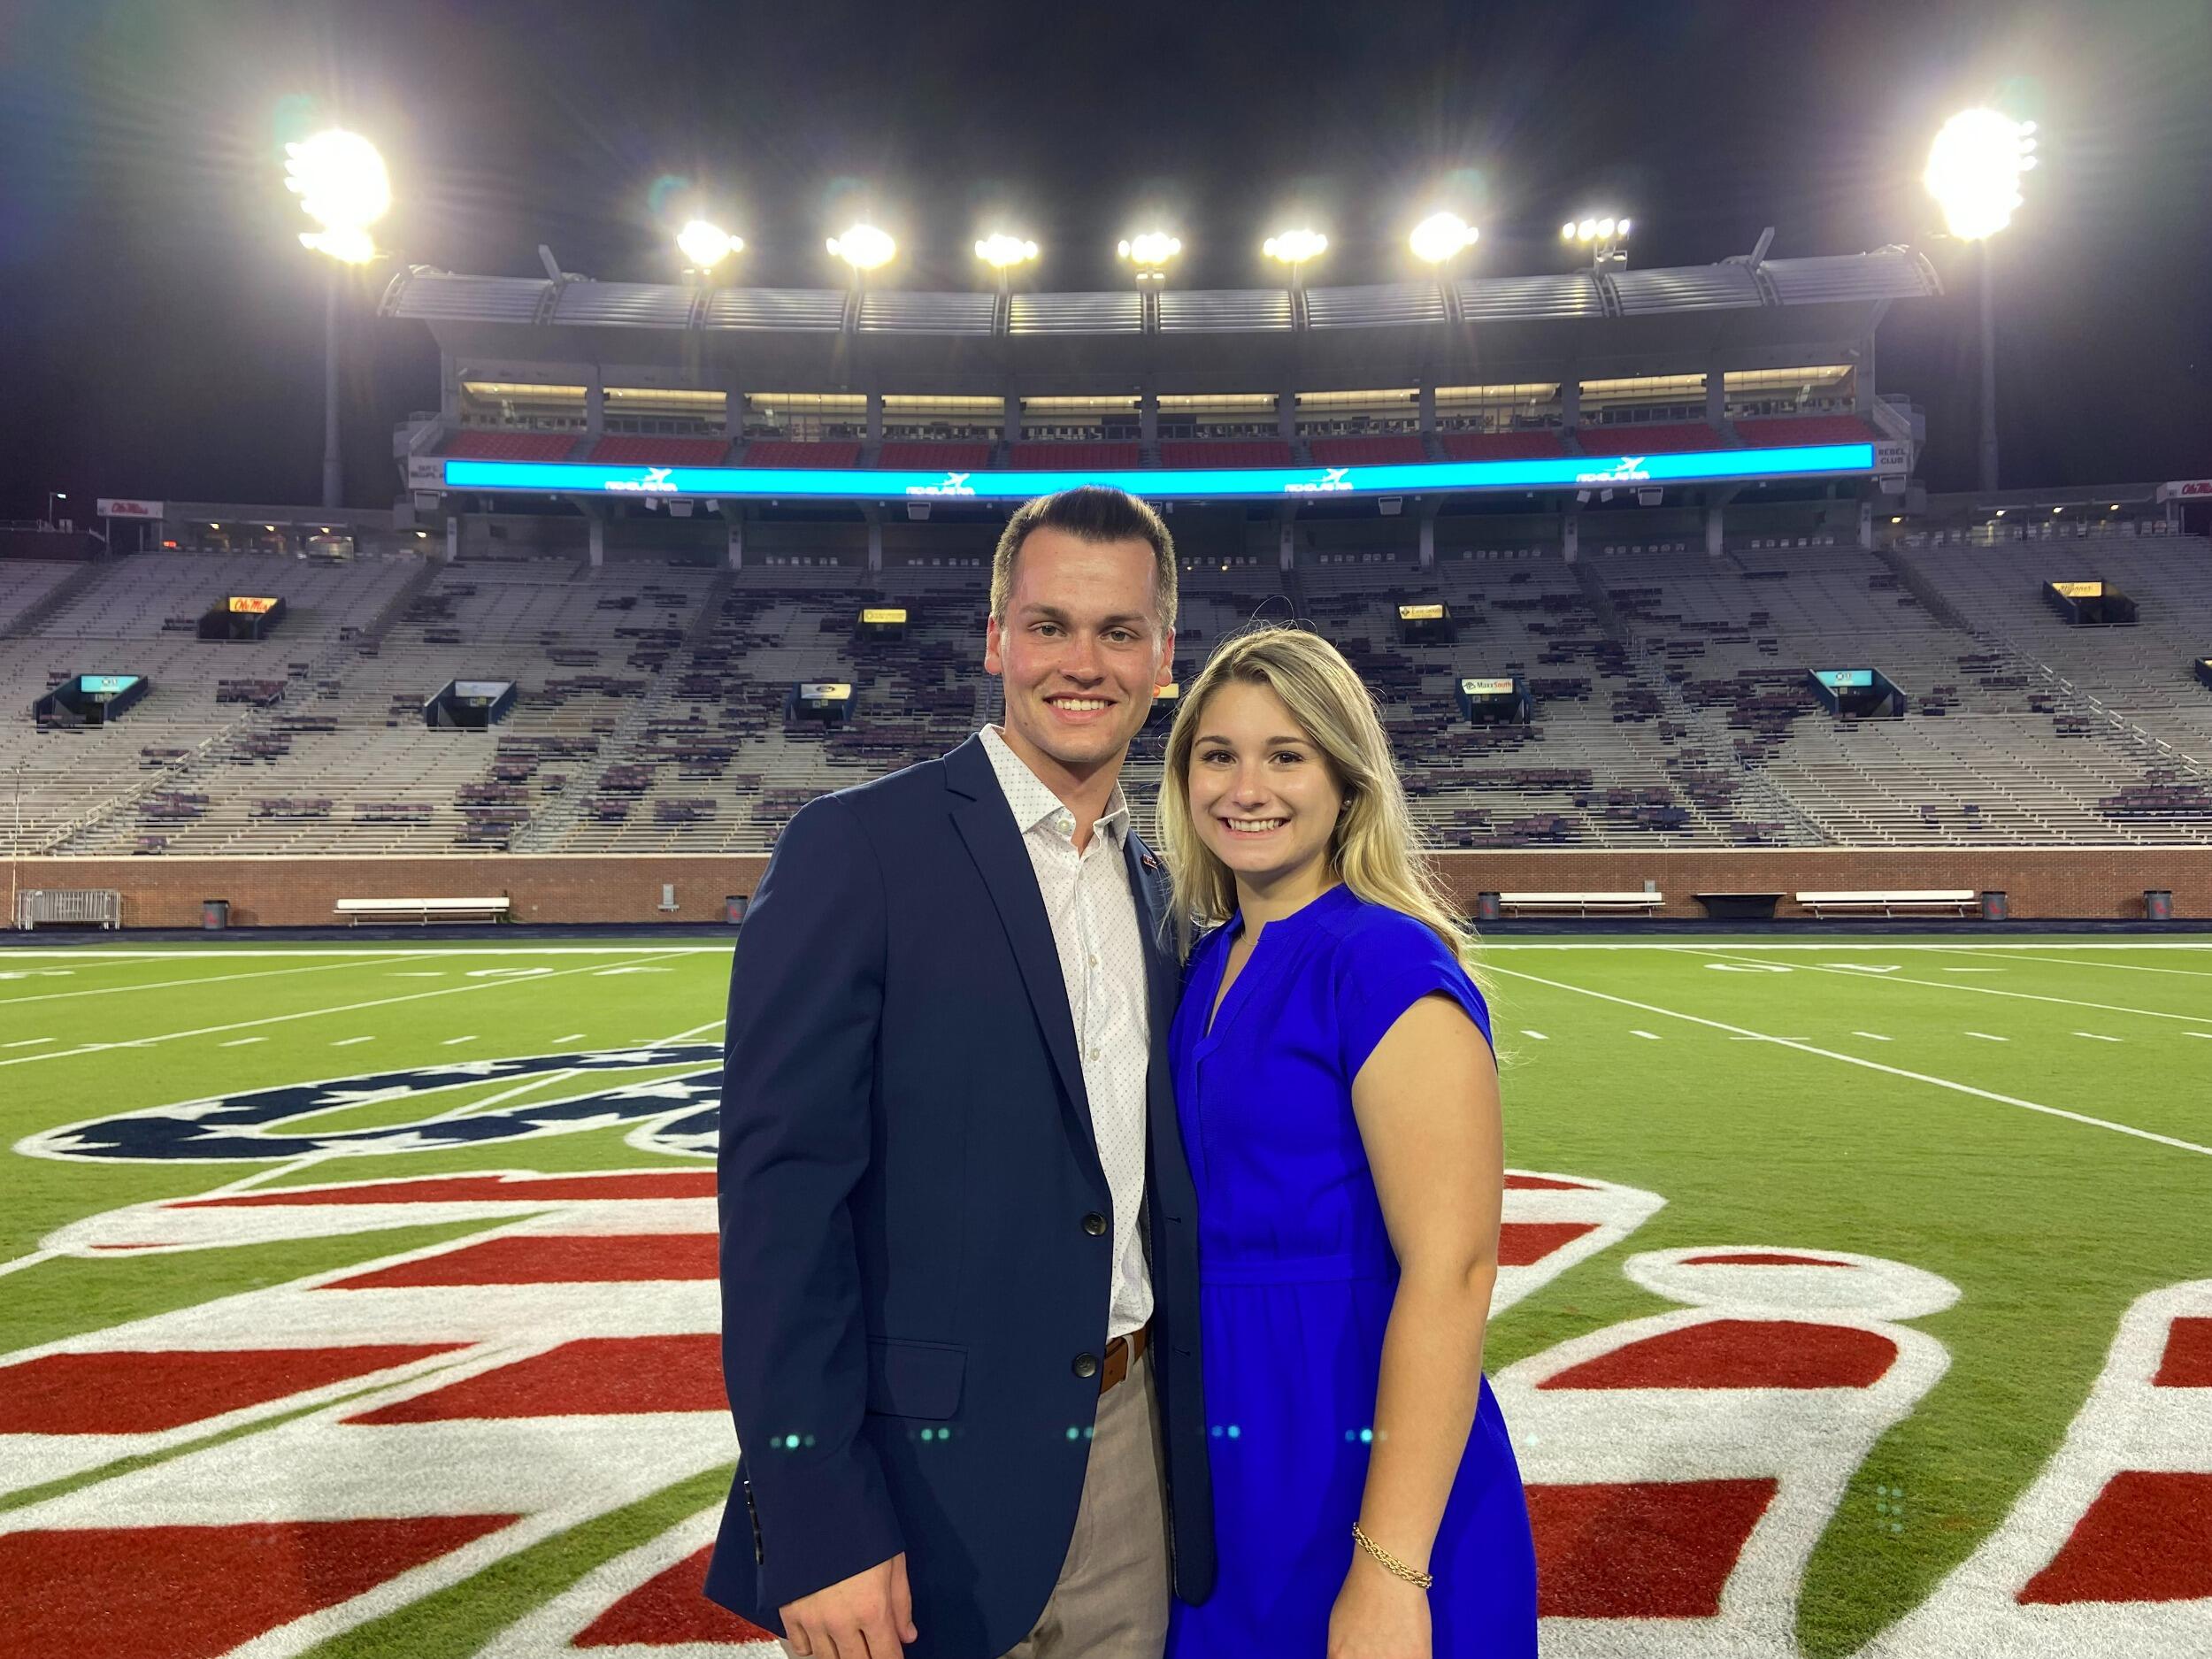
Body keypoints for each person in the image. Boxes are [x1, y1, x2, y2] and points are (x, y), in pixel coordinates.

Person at [707, 486, 1216, 1659]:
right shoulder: (859, 846)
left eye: (1119, 631)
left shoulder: (1164, 893)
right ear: (996, 638)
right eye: (1048, 625)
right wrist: (816, 1512)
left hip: (1133, 1459)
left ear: (1162, 656)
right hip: (915, 1481)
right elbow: (782, 1208)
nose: (1082, 662)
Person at [1155, 625, 1538, 1659]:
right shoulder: (1203, 960)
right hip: (1216, 1444)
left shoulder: (1382, 960)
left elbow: (1452, 1270)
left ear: (1346, 780)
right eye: (1217, 753)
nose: (1247, 786)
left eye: (1287, 755)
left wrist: (1389, 1567)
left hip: (1348, 1427)